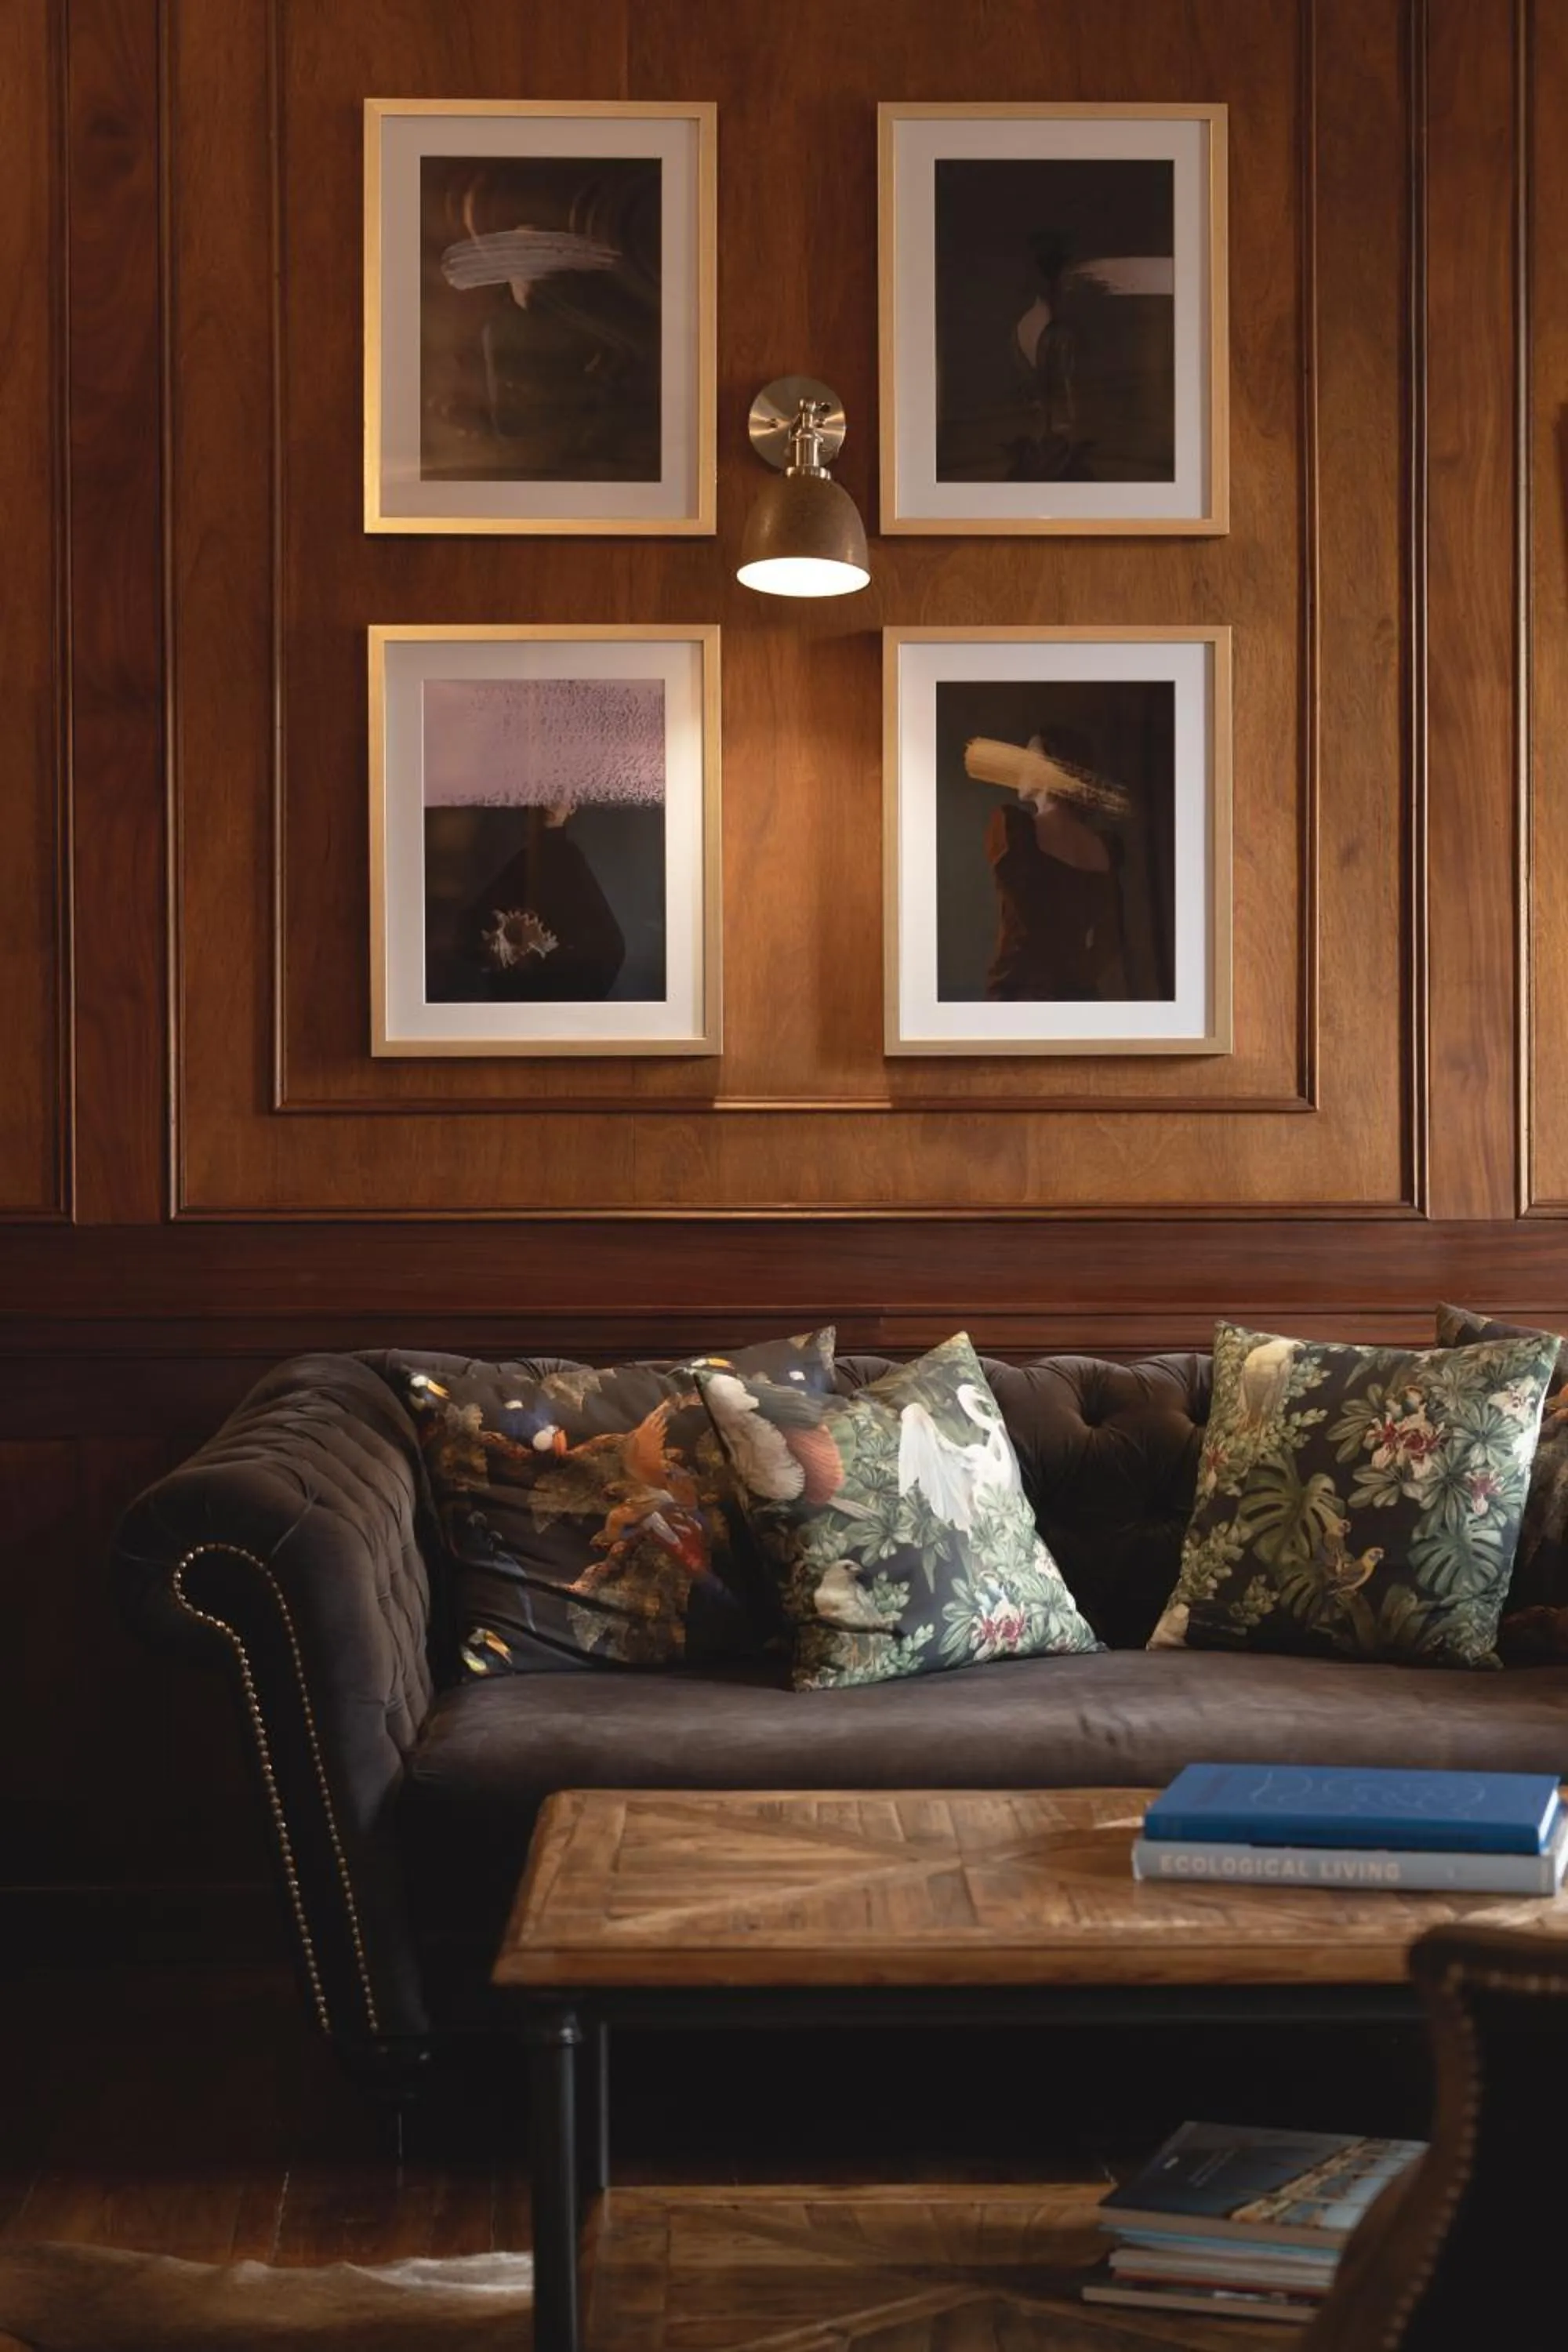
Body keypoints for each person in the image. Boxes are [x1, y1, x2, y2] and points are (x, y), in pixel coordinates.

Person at [984, 726, 1129, 1001]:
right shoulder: (1103, 849)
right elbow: (1108, 943)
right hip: (1078, 998)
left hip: (1018, 996)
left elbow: (1019, 934)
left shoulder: (1015, 831)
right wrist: (1073, 978)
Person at [457, 801, 626, 1001]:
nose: (549, 800)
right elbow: (471, 931)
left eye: (559, 789)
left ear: (572, 806)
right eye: (541, 789)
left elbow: (611, 948)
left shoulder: (566, 861)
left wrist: (547, 960)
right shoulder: (523, 862)